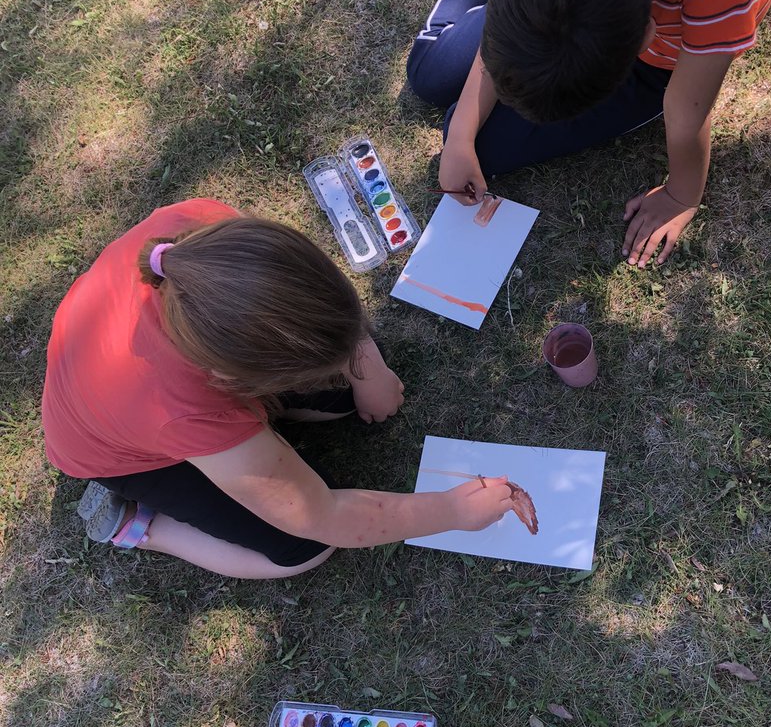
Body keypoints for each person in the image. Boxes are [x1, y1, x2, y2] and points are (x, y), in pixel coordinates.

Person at [41, 199, 512, 579]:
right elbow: (323, 517)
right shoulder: (183, 410)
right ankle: (138, 527)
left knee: (345, 397)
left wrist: (367, 364)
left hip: (145, 383)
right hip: (122, 450)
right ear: (235, 384)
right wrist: (450, 511)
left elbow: (309, 286)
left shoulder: (206, 233)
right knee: (303, 548)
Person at [407, 0, 771, 267]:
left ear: (645, 38)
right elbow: (503, 38)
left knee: (488, 147)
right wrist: (461, 135)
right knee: (430, 74)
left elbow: (685, 110)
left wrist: (682, 193)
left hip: (664, 60)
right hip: (593, 19)